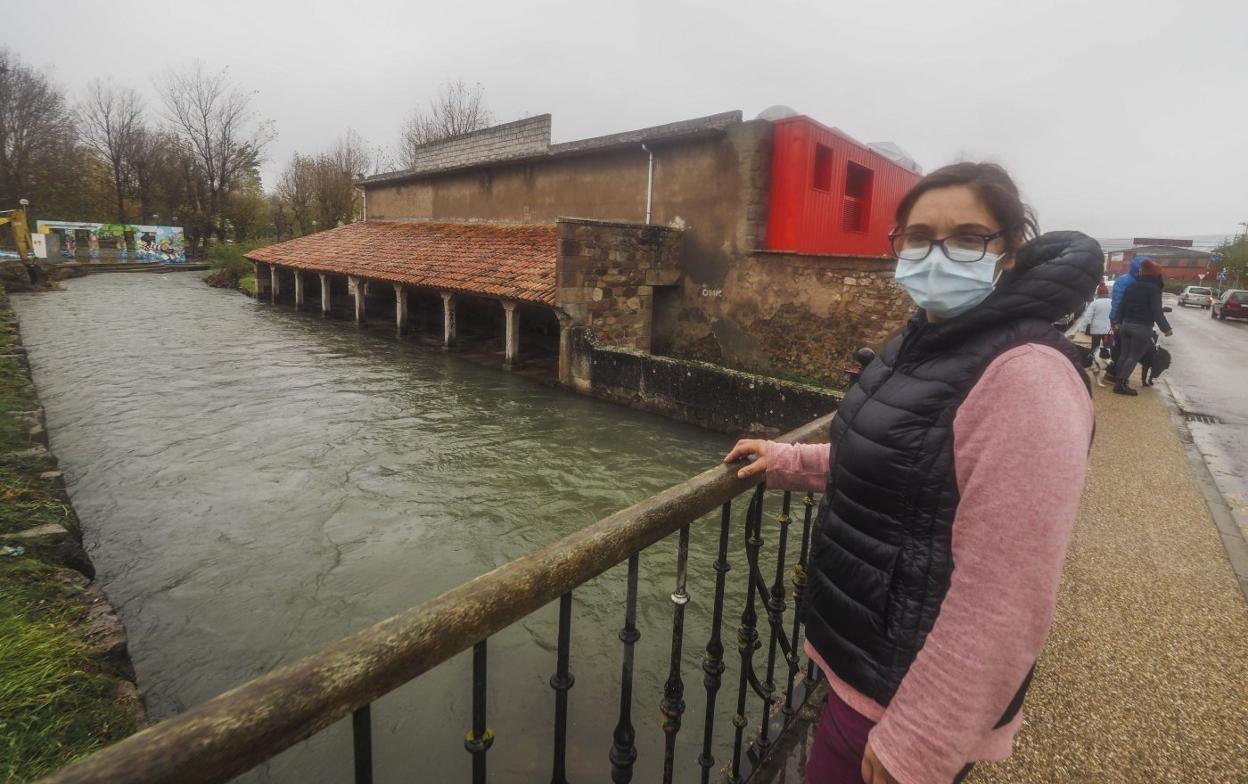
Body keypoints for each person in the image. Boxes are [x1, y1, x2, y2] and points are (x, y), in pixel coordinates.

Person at [724, 162, 1099, 784]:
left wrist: (925, 738)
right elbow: (909, 465)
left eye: (967, 237)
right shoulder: (928, 341)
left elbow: (1007, 591)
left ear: (1007, 253)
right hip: (867, 671)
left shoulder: (1026, 374)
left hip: (901, 700)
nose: (936, 253)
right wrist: (788, 459)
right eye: (919, 236)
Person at [1112, 259, 1172, 396]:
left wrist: (1117, 321)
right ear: (1156, 275)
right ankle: (1121, 384)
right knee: (1133, 357)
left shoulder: (1132, 285)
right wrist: (1166, 328)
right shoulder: (1154, 289)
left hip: (1126, 325)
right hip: (1142, 328)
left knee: (1124, 355)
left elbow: (1122, 305)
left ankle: (1118, 379)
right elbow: (1156, 310)